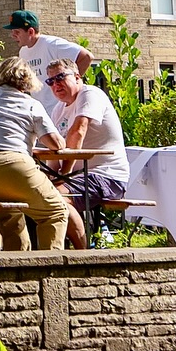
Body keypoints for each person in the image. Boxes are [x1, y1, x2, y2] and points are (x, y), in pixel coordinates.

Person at [0, 57, 69, 251]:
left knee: (10, 210)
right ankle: (49, 264)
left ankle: (15, 261)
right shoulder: (30, 104)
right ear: (27, 81)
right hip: (11, 168)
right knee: (55, 212)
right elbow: (55, 144)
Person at [43, 57, 128, 247]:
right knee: (38, 195)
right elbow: (55, 150)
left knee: (56, 199)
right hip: (78, 177)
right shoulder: (58, 109)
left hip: (106, 175)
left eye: (60, 77)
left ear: (77, 76)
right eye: (50, 81)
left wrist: (63, 174)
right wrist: (48, 178)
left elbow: (78, 131)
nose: (56, 84)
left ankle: (83, 254)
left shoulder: (90, 94)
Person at [5, 11, 91, 120]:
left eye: (17, 32)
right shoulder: (23, 52)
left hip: (60, 111)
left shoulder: (52, 44)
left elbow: (86, 56)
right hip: (40, 112)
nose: (13, 36)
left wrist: (72, 82)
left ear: (30, 31)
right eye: (12, 32)